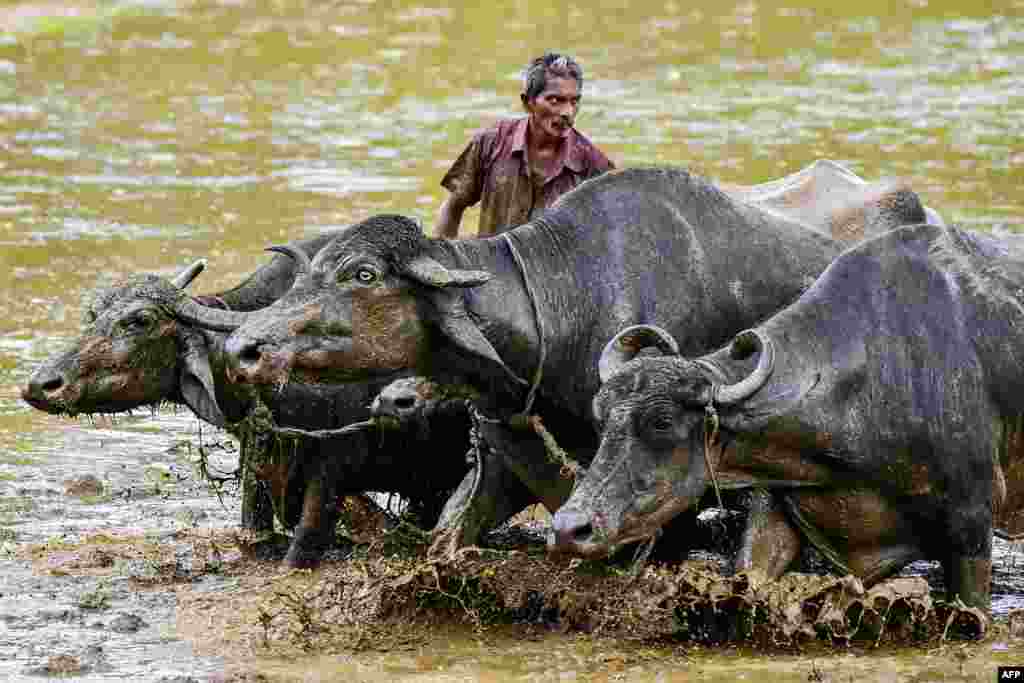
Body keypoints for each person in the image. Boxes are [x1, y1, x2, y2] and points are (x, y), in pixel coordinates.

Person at [435, 53, 615, 238]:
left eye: (574, 101)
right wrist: (441, 262)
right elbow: (452, 208)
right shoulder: (491, 144)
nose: (568, 112)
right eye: (555, 101)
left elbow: (610, 237)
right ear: (528, 103)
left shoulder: (593, 167)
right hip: (490, 265)